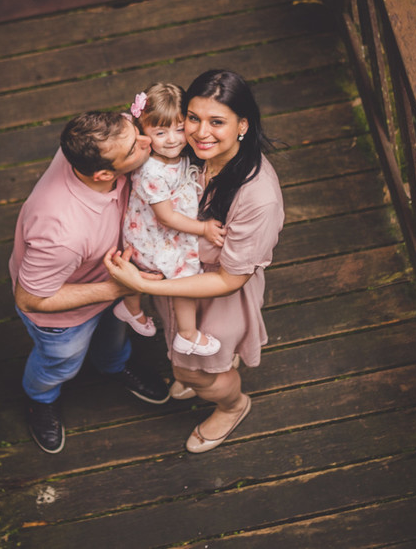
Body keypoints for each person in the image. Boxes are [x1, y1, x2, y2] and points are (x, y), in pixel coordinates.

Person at [104, 70, 284, 454]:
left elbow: (230, 281)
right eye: (194, 118)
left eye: (217, 122)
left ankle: (232, 404)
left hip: (219, 291)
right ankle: (198, 375)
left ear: (242, 125)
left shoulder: (258, 196)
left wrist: (146, 286)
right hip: (180, 273)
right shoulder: (188, 152)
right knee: (181, 349)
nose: (200, 132)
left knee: (191, 368)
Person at [10, 111, 171, 454]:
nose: (147, 141)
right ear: (103, 174)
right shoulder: (60, 233)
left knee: (114, 338)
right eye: (134, 148)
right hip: (63, 316)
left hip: (110, 278)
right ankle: (41, 398)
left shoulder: (102, 140)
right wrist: (118, 289)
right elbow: (29, 298)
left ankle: (114, 365)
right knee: (60, 363)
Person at [114, 82, 226, 357]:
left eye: (179, 129)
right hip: (154, 236)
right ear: (143, 131)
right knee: (184, 276)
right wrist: (203, 228)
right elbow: (165, 217)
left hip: (156, 232)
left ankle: (130, 308)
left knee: (146, 272)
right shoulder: (151, 171)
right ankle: (187, 335)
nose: (173, 139)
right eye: (160, 132)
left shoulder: (178, 156)